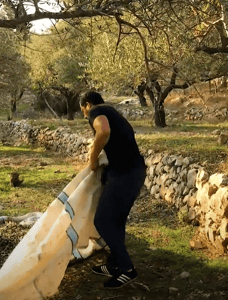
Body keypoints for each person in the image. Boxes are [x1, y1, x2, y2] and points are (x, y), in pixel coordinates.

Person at [80, 91, 146, 289]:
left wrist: (92, 160)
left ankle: (127, 270)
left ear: (87, 104)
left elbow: (104, 132)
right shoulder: (112, 111)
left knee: (102, 221)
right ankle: (115, 264)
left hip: (126, 175)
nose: (83, 114)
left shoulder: (96, 111)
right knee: (116, 222)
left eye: (82, 109)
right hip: (133, 172)